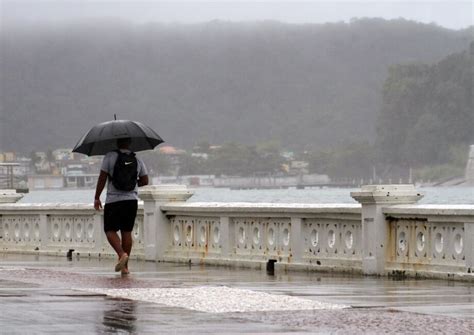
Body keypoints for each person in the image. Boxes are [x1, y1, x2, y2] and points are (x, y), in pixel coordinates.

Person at [94, 137, 149, 274]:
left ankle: (121, 254)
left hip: (114, 200)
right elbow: (145, 180)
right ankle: (125, 267)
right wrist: (132, 184)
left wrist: (97, 197)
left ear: (117, 143)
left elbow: (102, 178)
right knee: (126, 231)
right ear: (130, 143)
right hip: (131, 200)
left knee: (109, 230)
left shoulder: (110, 156)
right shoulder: (137, 159)